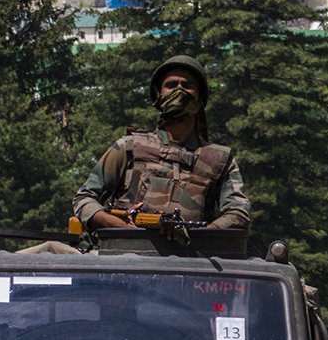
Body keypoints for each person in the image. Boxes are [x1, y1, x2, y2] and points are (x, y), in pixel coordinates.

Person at [73, 55, 252, 232]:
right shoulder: (129, 147)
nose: (179, 90)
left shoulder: (218, 158)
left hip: (192, 257)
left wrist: (202, 234)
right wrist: (121, 226)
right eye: (171, 85)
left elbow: (239, 211)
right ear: (159, 97)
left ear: (199, 100)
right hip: (126, 254)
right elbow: (84, 199)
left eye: (188, 85)